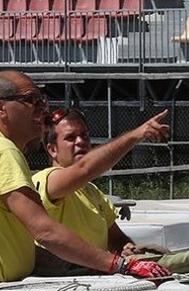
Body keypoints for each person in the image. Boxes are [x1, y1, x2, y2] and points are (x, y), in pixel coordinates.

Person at [0, 71, 169, 291]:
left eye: (42, 101)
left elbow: (22, 240)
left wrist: (105, 262)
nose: (41, 109)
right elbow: (45, 230)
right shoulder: (0, 151)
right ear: (0, 108)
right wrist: (117, 266)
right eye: (31, 100)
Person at [32, 106, 170, 272]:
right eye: (70, 138)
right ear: (52, 149)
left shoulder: (92, 191)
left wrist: (129, 249)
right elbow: (85, 168)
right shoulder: (47, 180)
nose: (81, 141)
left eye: (84, 135)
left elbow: (116, 239)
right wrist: (136, 135)